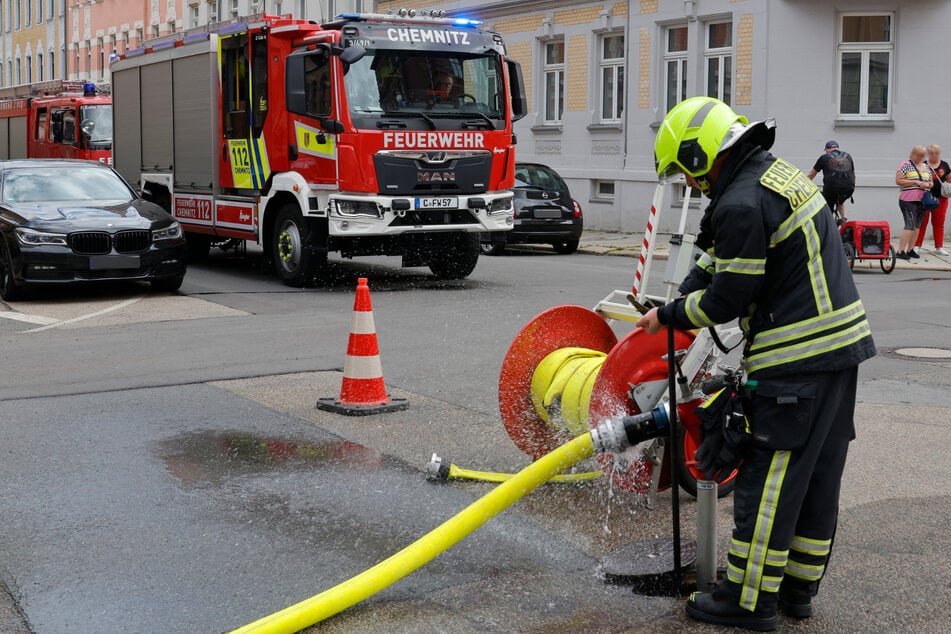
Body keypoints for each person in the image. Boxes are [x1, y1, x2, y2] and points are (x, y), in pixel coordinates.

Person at [639, 97, 876, 631]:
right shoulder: (772, 176)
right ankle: (796, 591)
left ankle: (747, 601)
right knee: (815, 476)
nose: (690, 184)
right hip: (841, 349)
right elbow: (715, 256)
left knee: (769, 478)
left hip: (796, 357)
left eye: (685, 171)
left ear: (701, 156)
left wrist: (668, 315)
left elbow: (724, 300)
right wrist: (679, 292)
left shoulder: (741, 202)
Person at [895, 145, 932, 260]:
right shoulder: (905, 165)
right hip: (908, 199)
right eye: (918, 155)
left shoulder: (926, 167)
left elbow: (931, 182)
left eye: (922, 155)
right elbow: (898, 180)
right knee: (909, 225)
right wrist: (916, 182)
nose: (920, 157)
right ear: (913, 154)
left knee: (917, 226)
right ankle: (900, 251)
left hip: (922, 200)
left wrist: (928, 184)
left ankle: (910, 250)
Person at [914, 144, 950, 256]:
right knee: (921, 222)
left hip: (941, 199)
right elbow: (916, 179)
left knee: (939, 223)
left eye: (936, 153)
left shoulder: (944, 165)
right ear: (928, 154)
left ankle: (939, 247)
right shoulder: (923, 165)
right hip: (925, 198)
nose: (934, 155)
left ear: (939, 153)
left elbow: (949, 179)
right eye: (932, 153)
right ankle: (916, 246)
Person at [807, 140, 856, 222]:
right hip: (849, 189)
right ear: (838, 148)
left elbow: (812, 174)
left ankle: (829, 223)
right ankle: (844, 220)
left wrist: (804, 183)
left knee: (827, 205)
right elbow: (853, 173)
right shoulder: (848, 156)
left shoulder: (824, 157)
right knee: (841, 201)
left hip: (831, 189)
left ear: (827, 149)